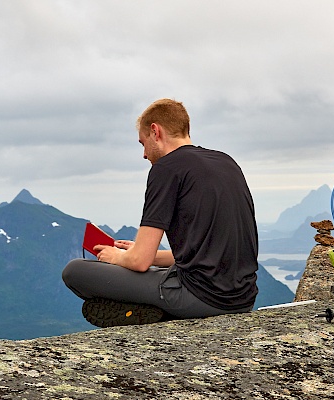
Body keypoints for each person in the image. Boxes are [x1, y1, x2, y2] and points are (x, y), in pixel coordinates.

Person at [62, 98, 258, 328]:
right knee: (148, 265)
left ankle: (154, 314)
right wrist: (149, 255)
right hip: (243, 300)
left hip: (200, 298)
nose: (144, 155)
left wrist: (117, 257)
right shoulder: (226, 162)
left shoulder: (166, 168)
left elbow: (139, 262)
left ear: (155, 131)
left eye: (142, 143)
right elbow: (208, 253)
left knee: (74, 271)